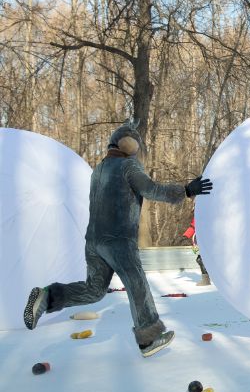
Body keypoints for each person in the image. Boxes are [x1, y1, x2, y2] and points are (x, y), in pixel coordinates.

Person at [23, 121, 213, 357]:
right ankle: (149, 338)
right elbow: (151, 190)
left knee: (94, 290)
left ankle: (48, 295)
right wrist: (186, 190)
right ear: (129, 146)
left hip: (94, 242)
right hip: (119, 241)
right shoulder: (128, 166)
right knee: (137, 285)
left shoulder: (99, 169)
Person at [182, 213, 210, 286]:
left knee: (204, 259)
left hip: (207, 240)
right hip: (196, 241)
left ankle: (208, 279)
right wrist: (186, 235)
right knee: (199, 259)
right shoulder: (198, 214)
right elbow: (193, 226)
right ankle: (206, 279)